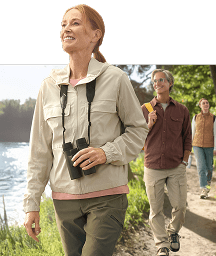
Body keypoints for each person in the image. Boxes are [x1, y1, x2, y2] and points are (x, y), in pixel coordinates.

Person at [23, 4, 148, 256]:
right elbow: (39, 151)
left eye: (75, 23)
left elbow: (138, 130)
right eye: (63, 24)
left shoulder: (116, 79)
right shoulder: (48, 86)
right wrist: (31, 204)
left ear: (95, 35)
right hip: (63, 201)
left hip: (107, 197)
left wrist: (106, 152)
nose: (66, 28)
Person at [141, 69, 192, 256]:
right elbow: (137, 139)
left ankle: (173, 233)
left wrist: (185, 161)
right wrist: (148, 125)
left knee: (180, 206)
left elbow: (187, 137)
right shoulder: (145, 109)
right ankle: (161, 245)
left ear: (170, 83)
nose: (157, 83)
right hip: (153, 166)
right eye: (154, 81)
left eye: (161, 80)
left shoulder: (182, 110)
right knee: (155, 210)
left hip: (176, 166)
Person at [192, 98, 216, 199]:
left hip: (210, 145)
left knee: (209, 168)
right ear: (200, 106)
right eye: (203, 103)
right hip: (197, 145)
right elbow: (192, 132)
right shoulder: (195, 117)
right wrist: (189, 146)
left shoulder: (213, 118)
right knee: (201, 167)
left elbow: (215, 133)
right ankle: (203, 189)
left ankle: (208, 185)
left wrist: (215, 147)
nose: (205, 104)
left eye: (207, 103)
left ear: (208, 105)